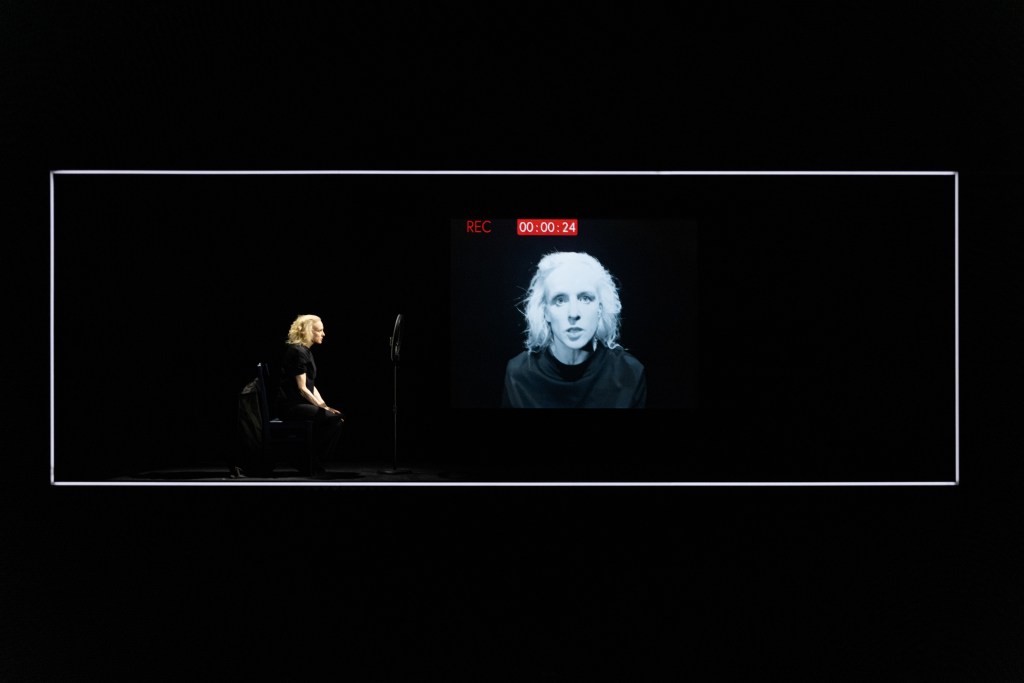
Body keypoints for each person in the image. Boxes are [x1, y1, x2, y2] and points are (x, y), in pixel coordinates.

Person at [502, 251, 647, 408]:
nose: (573, 313)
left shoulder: (629, 373)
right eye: (560, 300)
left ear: (600, 308)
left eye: (585, 298)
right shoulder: (518, 375)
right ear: (545, 312)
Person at [275, 314, 346, 475]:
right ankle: (307, 459)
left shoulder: (305, 351)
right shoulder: (297, 352)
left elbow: (311, 385)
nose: (323, 334)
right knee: (333, 419)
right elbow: (302, 389)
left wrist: (325, 406)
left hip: (300, 404)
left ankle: (309, 458)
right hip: (290, 406)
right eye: (319, 330)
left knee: (337, 418)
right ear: (308, 331)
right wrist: (323, 408)